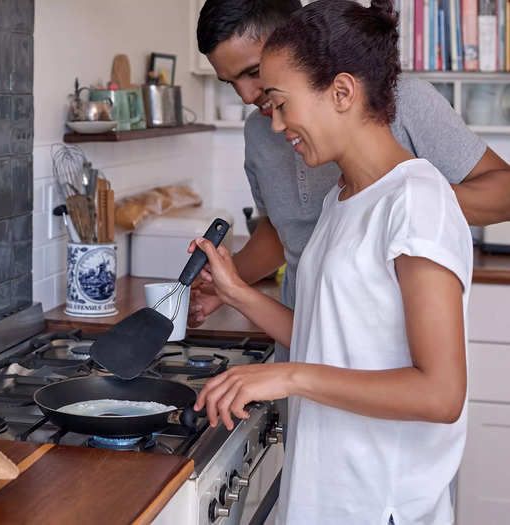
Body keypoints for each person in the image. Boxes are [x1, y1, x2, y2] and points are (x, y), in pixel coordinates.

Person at [192, 0, 473, 523]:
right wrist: (236, 291)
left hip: (379, 503)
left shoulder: (417, 201)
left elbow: (441, 393)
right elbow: (325, 338)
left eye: (279, 103)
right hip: (325, 489)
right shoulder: (342, 198)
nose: (274, 125)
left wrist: (289, 378)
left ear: (342, 92)